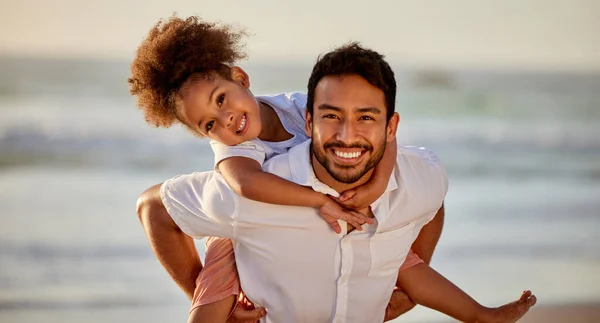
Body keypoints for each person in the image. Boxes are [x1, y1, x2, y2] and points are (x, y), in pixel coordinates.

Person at [132, 16, 537, 323]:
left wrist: (378, 184)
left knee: (398, 254)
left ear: (240, 78)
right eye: (207, 124)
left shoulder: (295, 105)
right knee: (217, 278)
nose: (225, 123)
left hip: (335, 217)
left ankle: (482, 316)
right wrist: (318, 201)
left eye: (222, 100)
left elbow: (384, 140)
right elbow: (246, 184)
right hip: (252, 220)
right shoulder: (234, 152)